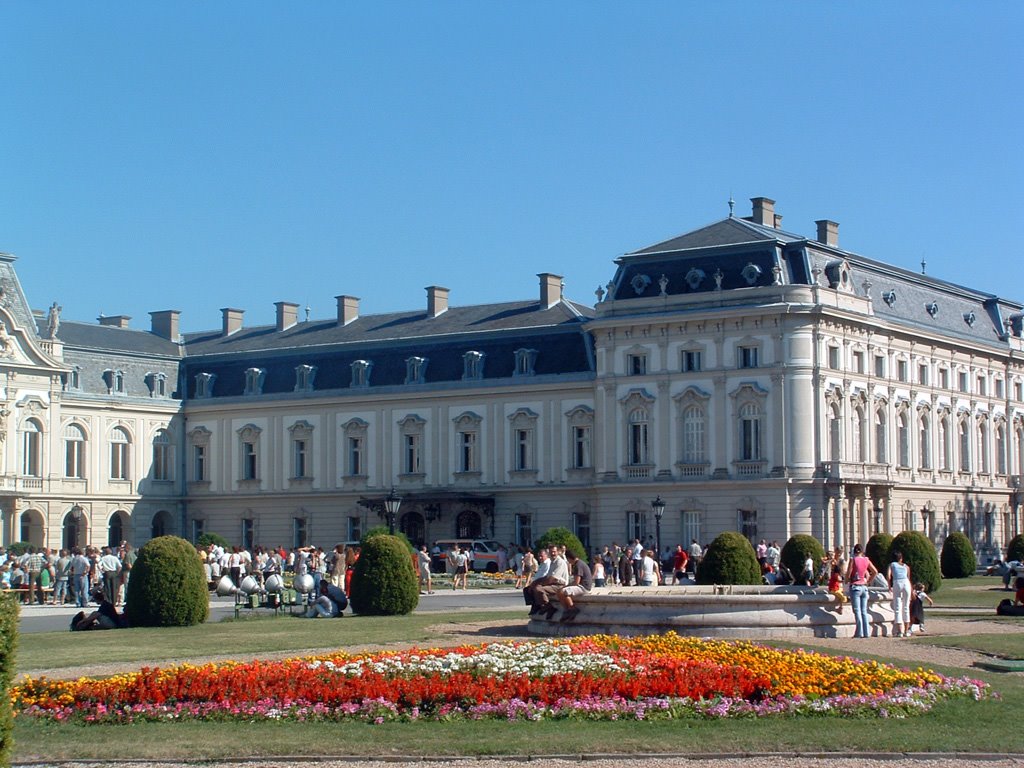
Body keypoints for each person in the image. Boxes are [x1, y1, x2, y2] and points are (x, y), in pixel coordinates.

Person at [846, 544, 879, 638]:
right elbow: (875, 571)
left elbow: (849, 571)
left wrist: (846, 580)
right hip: (864, 586)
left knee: (857, 611)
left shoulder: (853, 560)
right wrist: (868, 581)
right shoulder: (866, 560)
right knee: (864, 611)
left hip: (855, 586)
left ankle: (859, 632)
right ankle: (866, 632)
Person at [558, 550, 593, 622]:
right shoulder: (580, 563)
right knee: (560, 591)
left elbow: (576, 582)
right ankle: (567, 610)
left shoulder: (578, 565)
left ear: (569, 558)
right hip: (584, 586)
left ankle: (572, 608)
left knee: (564, 591)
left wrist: (566, 586)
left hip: (583, 587)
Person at [888, 550, 913, 637]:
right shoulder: (906, 566)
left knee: (897, 607)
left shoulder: (891, 565)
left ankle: (900, 631)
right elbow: (908, 578)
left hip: (897, 582)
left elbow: (888, 576)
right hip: (906, 583)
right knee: (906, 607)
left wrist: (889, 585)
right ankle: (907, 630)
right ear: (901, 558)